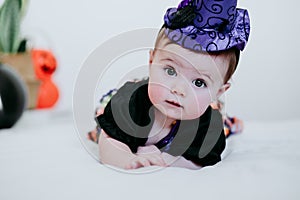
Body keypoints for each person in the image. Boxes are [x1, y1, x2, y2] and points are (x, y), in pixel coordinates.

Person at [93, 0, 250, 170]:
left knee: (223, 125)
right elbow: (109, 141)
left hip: (208, 110)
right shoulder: (131, 103)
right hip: (135, 93)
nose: (179, 90)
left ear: (219, 91)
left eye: (199, 82)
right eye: (170, 71)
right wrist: (127, 158)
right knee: (103, 118)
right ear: (152, 61)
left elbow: (201, 161)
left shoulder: (207, 126)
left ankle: (229, 121)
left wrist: (166, 159)